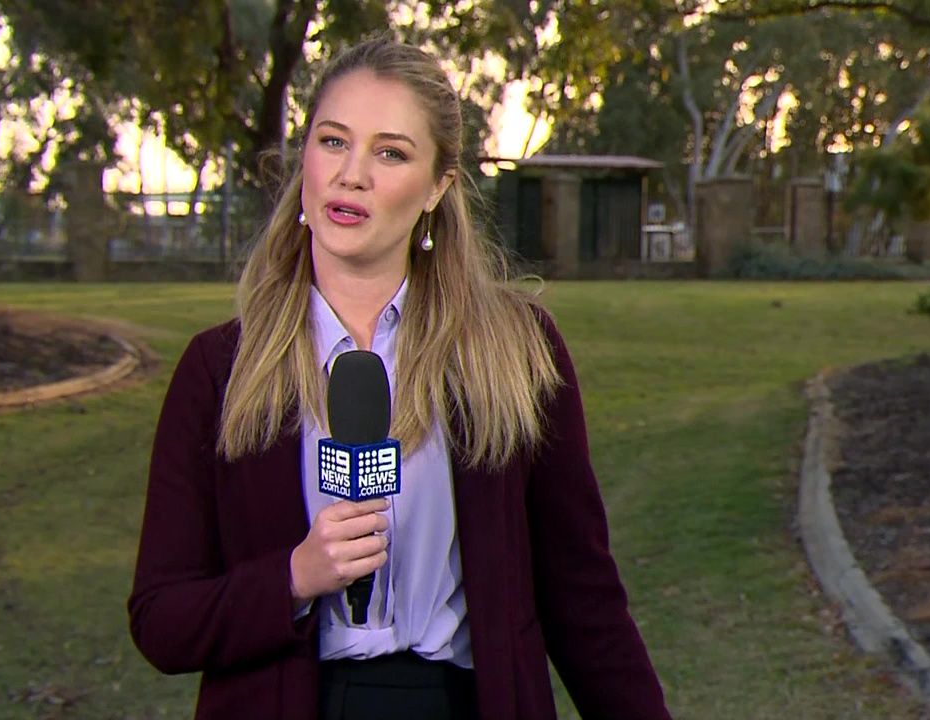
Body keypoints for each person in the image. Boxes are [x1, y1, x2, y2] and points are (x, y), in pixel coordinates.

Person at [127, 36, 671, 720]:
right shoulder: (221, 371)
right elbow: (162, 619)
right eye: (333, 142)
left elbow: (583, 600)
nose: (351, 174)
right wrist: (293, 578)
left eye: (390, 153)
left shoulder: (515, 353)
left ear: (438, 187)